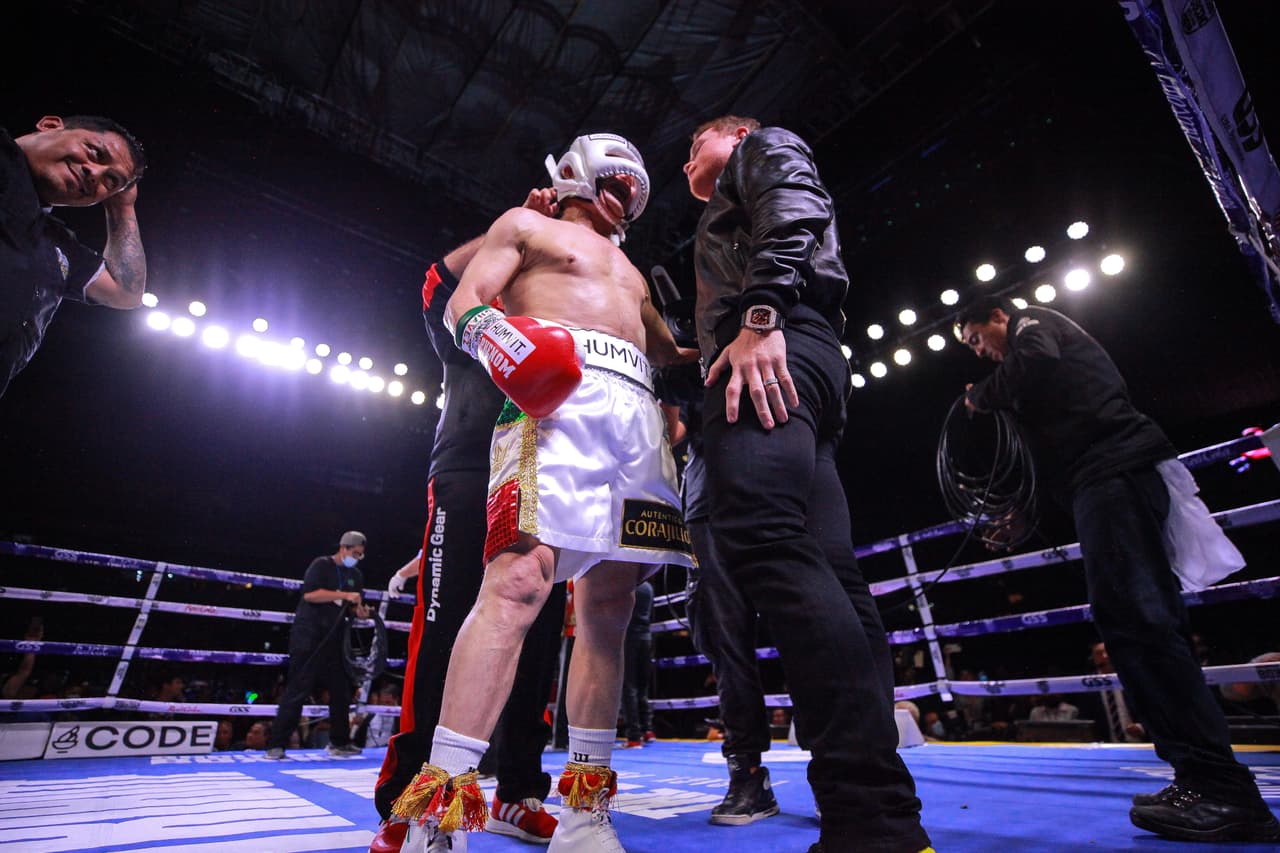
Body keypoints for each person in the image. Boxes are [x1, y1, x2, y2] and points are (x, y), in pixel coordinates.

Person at [389, 132, 695, 852]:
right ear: (575, 171)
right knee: (518, 585)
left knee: (611, 609)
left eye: (638, 184)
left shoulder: (633, 269)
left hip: (635, 416)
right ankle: (441, 808)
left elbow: (668, 352)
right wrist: (507, 344)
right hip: (556, 399)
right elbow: (460, 301)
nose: (631, 190)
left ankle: (586, 811)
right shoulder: (524, 225)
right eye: (617, 175)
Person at [684, 115, 932, 853]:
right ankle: (880, 816)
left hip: (775, 336)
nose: (686, 158)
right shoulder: (732, 206)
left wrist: (760, 313)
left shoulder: (764, 148)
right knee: (830, 565)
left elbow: (795, 203)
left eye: (694, 142)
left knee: (756, 530)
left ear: (733, 132)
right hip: (801, 343)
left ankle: (869, 814)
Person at [958, 296, 1279, 843]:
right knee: (1134, 623)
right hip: (1101, 480)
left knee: (1140, 622)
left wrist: (979, 398)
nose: (980, 353)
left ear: (998, 318)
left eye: (976, 339)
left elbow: (1034, 358)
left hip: (1116, 475)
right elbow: (1053, 433)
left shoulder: (1035, 324)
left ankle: (1221, 788)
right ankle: (1200, 778)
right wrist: (1023, 514)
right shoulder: (1032, 373)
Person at [372, 192, 569, 851]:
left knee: (538, 637)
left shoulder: (564, 318)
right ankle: (409, 798)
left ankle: (519, 791)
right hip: (466, 467)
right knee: (444, 622)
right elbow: (436, 276)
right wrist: (517, 223)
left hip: (550, 474)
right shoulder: (471, 315)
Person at [2, 115, 148, 398]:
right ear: (49, 125)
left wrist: (122, 208)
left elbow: (126, 292)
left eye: (111, 180)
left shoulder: (55, 244)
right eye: (95, 153)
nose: (95, 174)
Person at [266, 530, 370, 760]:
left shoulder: (356, 575)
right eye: (355, 553)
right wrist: (344, 595)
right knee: (297, 689)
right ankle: (277, 744)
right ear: (343, 548)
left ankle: (339, 742)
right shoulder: (321, 565)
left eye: (361, 555)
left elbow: (353, 607)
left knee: (341, 691)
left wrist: (361, 612)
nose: (357, 558)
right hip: (309, 638)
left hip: (336, 641)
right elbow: (311, 595)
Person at [620, 580, 654, 748]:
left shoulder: (627, 586)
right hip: (646, 637)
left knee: (629, 687)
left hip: (629, 638)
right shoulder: (648, 588)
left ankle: (634, 735)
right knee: (642, 687)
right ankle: (647, 729)